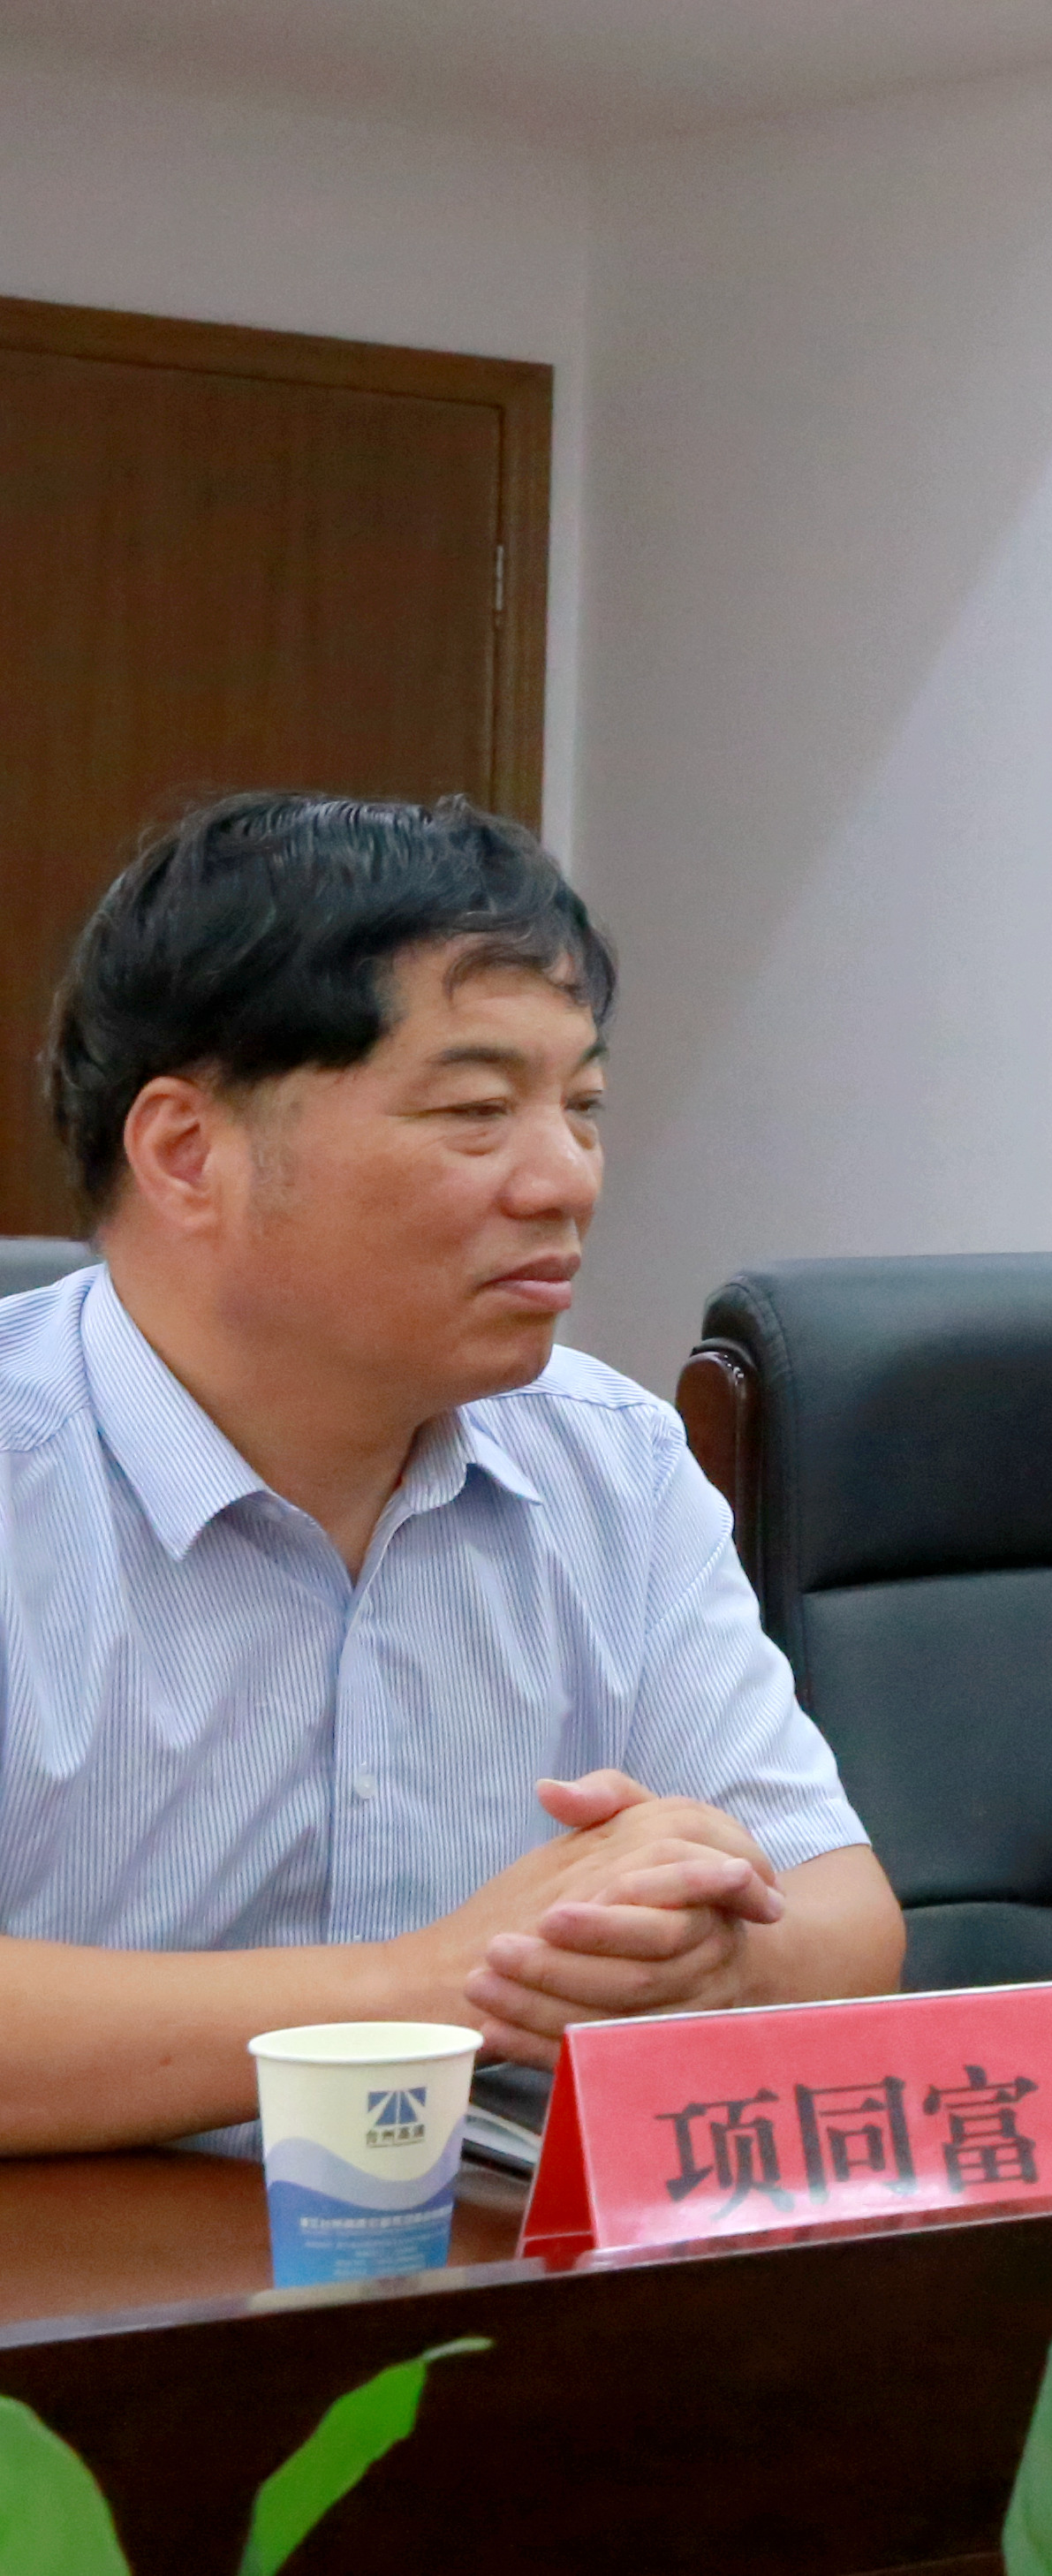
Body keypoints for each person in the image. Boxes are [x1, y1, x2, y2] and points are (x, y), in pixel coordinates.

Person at [0, 794, 899, 2157]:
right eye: (476, 1111)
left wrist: (694, 1956)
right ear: (188, 1154)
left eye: (582, 1106)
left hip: (492, 2253)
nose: (564, 1180)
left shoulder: (608, 1457)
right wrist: (430, 1989)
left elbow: (843, 1916)